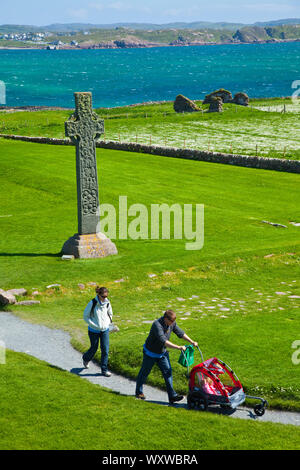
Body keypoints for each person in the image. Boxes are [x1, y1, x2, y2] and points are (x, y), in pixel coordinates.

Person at [135, 309, 198, 404]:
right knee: (144, 372)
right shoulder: (157, 325)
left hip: (162, 353)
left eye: (173, 322)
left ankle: (172, 396)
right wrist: (178, 347)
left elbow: (180, 333)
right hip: (150, 353)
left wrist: (191, 341)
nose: (172, 324)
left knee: (168, 373)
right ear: (165, 318)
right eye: (171, 321)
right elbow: (163, 341)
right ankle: (139, 392)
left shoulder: (171, 323)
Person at [82, 286, 113, 377]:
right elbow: (85, 316)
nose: (105, 298)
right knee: (94, 348)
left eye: (106, 296)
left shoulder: (107, 302)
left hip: (105, 330)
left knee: (105, 350)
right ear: (98, 295)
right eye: (103, 296)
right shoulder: (92, 303)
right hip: (93, 330)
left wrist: (108, 323)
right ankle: (86, 358)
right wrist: (94, 325)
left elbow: (110, 313)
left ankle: (104, 370)